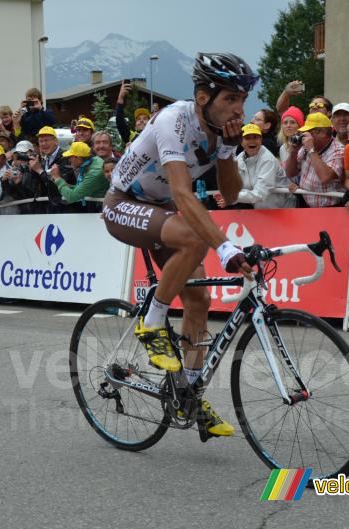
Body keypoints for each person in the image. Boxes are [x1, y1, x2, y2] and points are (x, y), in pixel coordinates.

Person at [103, 52, 259, 439]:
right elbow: (182, 193)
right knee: (194, 238)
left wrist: (227, 149)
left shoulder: (223, 131)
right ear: (203, 97)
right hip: (124, 205)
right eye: (230, 100)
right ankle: (151, 321)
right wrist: (225, 247)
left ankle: (188, 393)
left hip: (162, 211)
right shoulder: (174, 120)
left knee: (198, 302)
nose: (239, 110)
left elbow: (231, 192)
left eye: (242, 100)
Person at [215, 123, 295, 210]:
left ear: (261, 140)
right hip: (261, 209)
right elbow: (238, 187)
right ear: (241, 142)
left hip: (283, 209)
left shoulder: (268, 160)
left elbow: (260, 193)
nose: (252, 141)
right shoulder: (240, 158)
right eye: (247, 138)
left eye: (255, 137)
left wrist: (232, 197)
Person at [285, 112, 346, 208]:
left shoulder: (339, 150)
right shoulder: (306, 147)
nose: (303, 136)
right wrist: (294, 151)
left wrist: (311, 150)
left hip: (331, 208)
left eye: (308, 132)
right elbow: (290, 173)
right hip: (306, 205)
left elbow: (325, 177)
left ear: (322, 133)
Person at [52, 141, 108, 210]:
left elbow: (71, 197)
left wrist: (57, 178)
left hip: (103, 209)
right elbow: (84, 187)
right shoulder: (94, 160)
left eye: (70, 157)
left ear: (78, 158)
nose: (69, 159)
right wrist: (67, 185)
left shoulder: (95, 173)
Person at [115, 81, 150, 145]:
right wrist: (120, 98)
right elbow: (120, 122)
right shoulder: (131, 136)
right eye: (138, 119)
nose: (141, 120)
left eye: (145, 118)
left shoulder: (155, 137)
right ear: (135, 126)